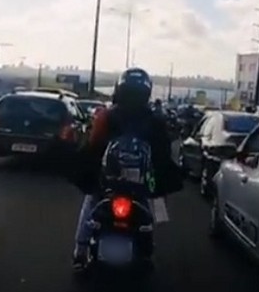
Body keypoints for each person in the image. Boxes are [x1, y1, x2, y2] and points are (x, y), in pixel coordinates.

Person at [70, 67, 183, 270]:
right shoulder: (154, 120)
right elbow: (163, 153)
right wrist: (166, 178)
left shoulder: (107, 116)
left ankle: (80, 250)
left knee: (91, 201)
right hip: (141, 184)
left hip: (108, 181)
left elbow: (93, 145)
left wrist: (81, 165)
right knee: (155, 204)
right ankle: (148, 244)